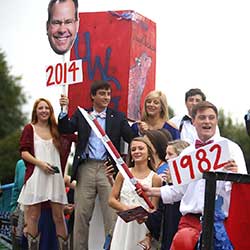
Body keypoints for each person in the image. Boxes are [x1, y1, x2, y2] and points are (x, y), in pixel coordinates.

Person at [141, 101, 247, 249]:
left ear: (217, 121)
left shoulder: (231, 148)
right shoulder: (186, 153)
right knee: (183, 240)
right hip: (190, 221)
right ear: (193, 121)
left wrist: (235, 176)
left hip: (223, 223)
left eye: (211, 117)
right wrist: (151, 191)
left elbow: (243, 192)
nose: (207, 121)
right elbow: (178, 191)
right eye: (202, 117)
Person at [58, 79, 135, 250]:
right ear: (93, 96)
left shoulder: (118, 117)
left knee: (113, 215)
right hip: (86, 167)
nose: (106, 97)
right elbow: (66, 129)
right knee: (81, 215)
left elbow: (131, 137)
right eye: (102, 93)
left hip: (108, 169)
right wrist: (63, 110)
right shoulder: (82, 114)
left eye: (108, 94)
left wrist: (141, 128)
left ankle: (113, 247)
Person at [18, 98, 69, 249]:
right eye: (40, 108)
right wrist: (41, 164)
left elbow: (71, 133)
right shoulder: (30, 128)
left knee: (59, 216)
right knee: (33, 216)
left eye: (47, 108)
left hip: (54, 178)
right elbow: (24, 152)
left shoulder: (56, 130)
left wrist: (64, 108)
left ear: (51, 111)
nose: (44, 111)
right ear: (35, 111)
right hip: (37, 175)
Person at [108, 137, 162, 250]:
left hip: (142, 226)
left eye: (141, 148)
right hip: (123, 225)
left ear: (148, 153)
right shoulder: (122, 174)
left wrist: (149, 236)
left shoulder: (155, 178)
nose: (137, 152)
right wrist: (127, 209)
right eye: (133, 149)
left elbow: (154, 209)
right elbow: (112, 200)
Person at [139, 140, 189, 250]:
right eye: (166, 153)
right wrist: (146, 216)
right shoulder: (166, 182)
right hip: (167, 235)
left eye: (170, 154)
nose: (166, 158)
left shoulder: (189, 184)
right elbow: (161, 214)